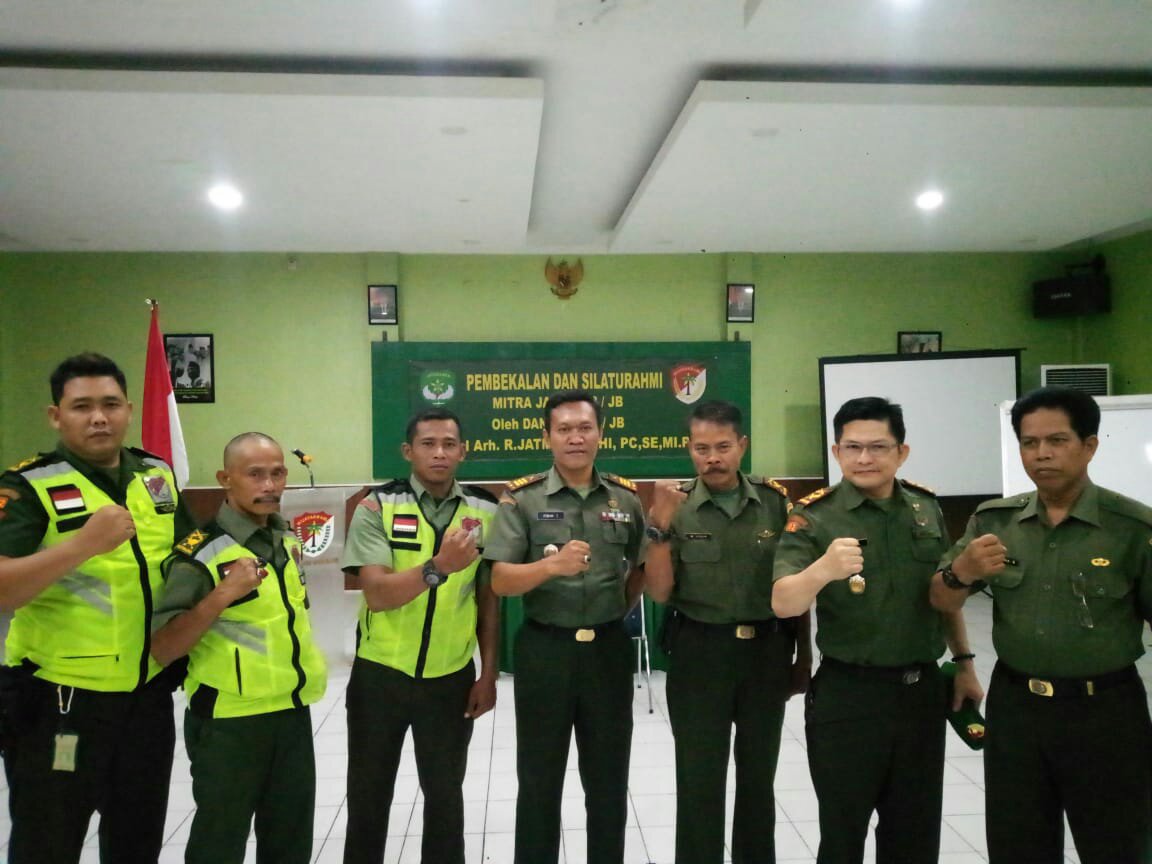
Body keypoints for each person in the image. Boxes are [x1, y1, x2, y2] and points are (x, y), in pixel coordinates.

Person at [930, 386, 1152, 863]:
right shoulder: (996, 522)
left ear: (1089, 446)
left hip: (1107, 714)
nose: (1041, 454)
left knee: (1117, 846)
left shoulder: (1133, 529)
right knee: (1017, 845)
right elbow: (940, 598)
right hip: (1018, 710)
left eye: (1057, 440)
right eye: (1029, 443)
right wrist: (961, 571)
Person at [0, 352, 193, 864]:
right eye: (82, 406)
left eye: (110, 404)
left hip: (146, 697)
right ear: (55, 416)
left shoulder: (155, 475)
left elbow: (189, 552)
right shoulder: (27, 486)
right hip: (59, 702)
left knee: (136, 843)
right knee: (47, 844)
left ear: (129, 410)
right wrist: (82, 545)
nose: (99, 417)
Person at [772, 396, 982, 864]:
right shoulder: (815, 515)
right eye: (852, 447)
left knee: (915, 834)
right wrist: (823, 569)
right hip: (850, 696)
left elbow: (944, 594)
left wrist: (965, 663)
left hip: (920, 693)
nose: (864, 458)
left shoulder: (925, 508)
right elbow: (784, 601)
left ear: (901, 452)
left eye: (878, 447)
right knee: (843, 835)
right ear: (836, 452)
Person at [644, 400, 811, 864]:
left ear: (742, 445)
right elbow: (658, 592)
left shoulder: (775, 503)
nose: (712, 458)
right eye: (702, 449)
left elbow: (796, 586)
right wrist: (658, 526)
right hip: (699, 654)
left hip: (766, 654)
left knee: (758, 781)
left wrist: (803, 657)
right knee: (699, 781)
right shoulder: (675, 505)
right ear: (689, 449)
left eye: (722, 447)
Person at [484, 390, 646, 864]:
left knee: (609, 780)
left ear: (600, 433)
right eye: (565, 429)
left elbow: (639, 568)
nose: (576, 438)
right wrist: (550, 568)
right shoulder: (522, 499)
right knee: (539, 780)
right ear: (547, 437)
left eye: (585, 428)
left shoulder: (625, 498)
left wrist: (616, 608)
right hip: (545, 651)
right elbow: (500, 581)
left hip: (607, 651)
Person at [151, 432, 327, 864]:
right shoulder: (199, 553)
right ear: (225, 479)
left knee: (290, 842)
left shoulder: (286, 539)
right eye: (255, 474)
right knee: (219, 843)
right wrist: (222, 594)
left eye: (277, 473)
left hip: (291, 713)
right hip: (229, 723)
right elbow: (163, 647)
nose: (269, 485)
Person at [341, 408, 500, 864]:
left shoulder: (486, 510)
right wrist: (437, 567)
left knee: (446, 798)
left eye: (449, 444)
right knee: (369, 796)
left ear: (463, 452)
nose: (439, 453)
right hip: (380, 677)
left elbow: (487, 599)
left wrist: (488, 673)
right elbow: (377, 594)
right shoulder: (377, 506)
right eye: (428, 444)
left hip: (450, 679)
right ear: (408, 451)